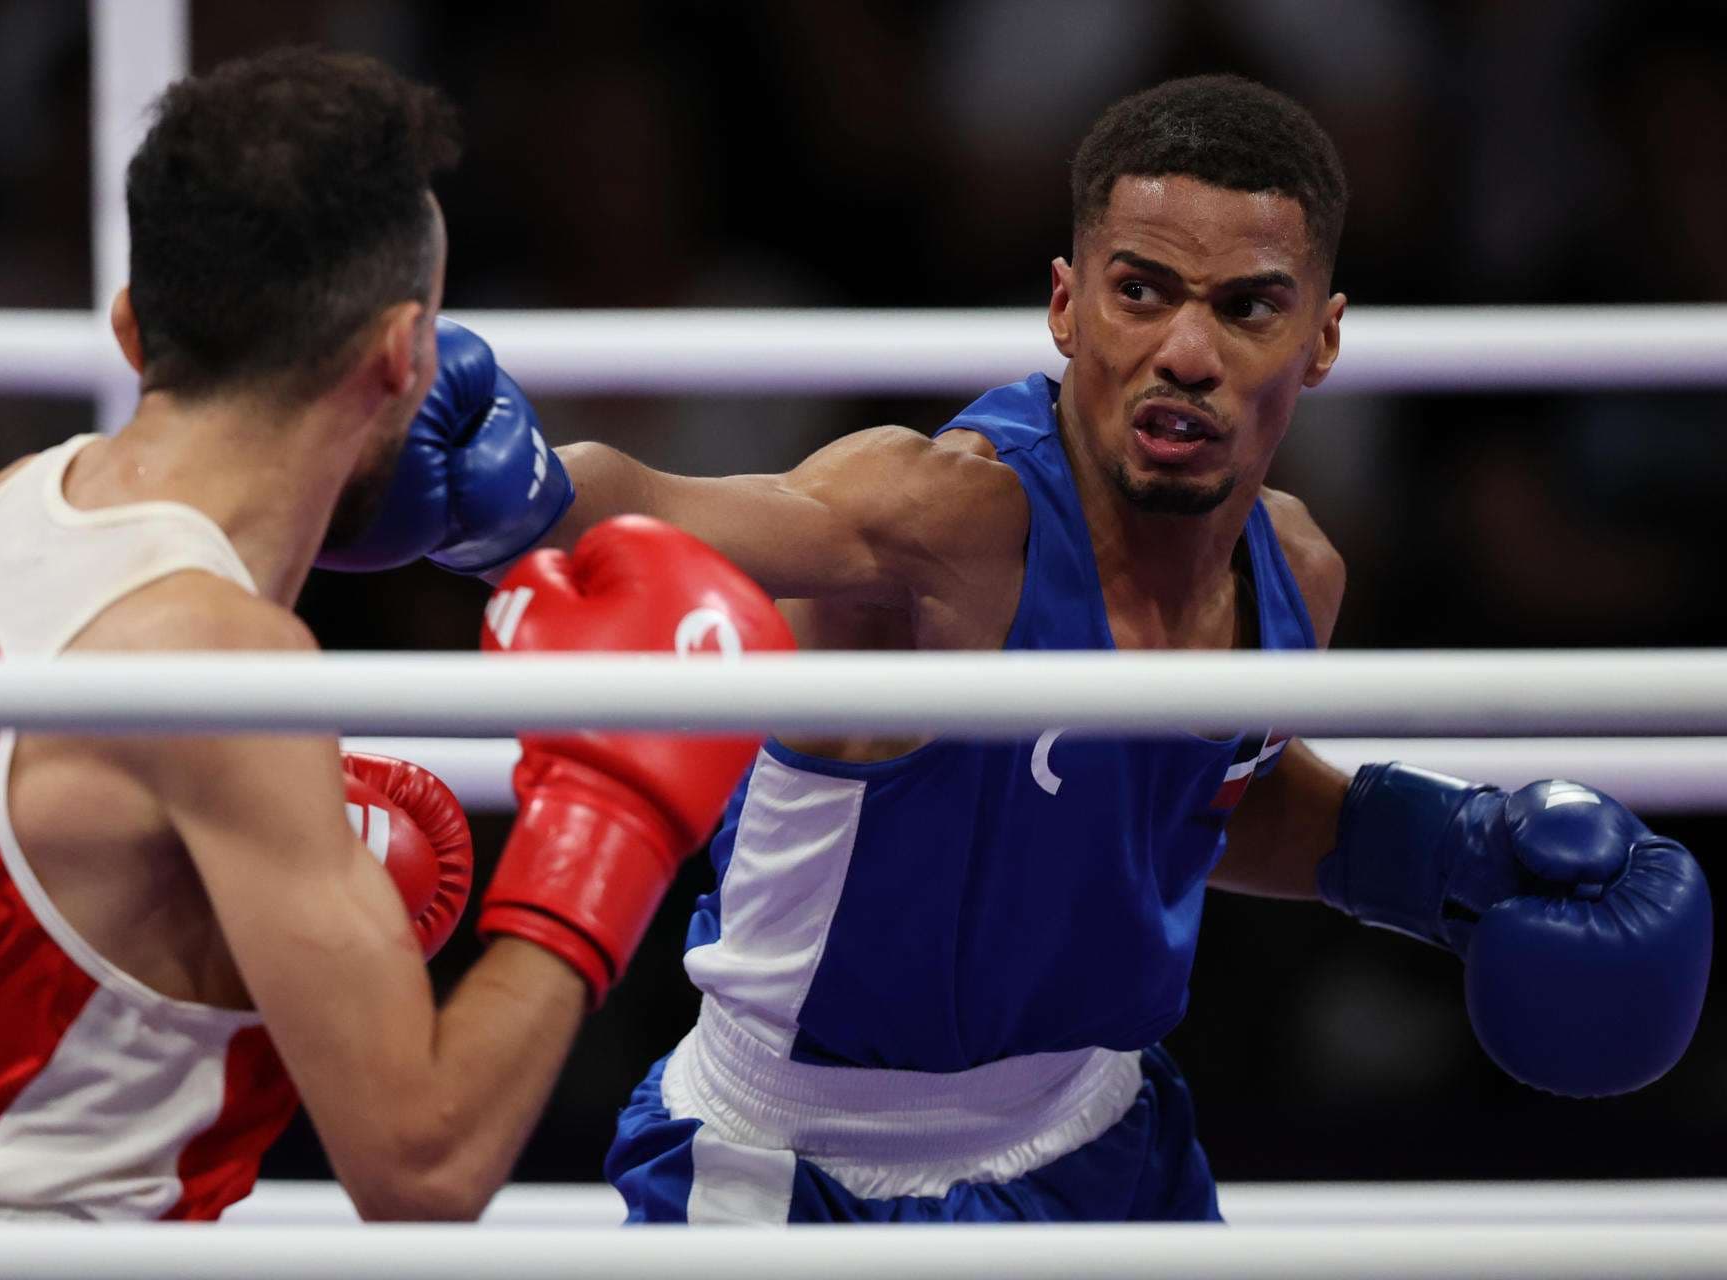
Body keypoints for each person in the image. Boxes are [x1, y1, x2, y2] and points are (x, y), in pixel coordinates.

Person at [342, 74, 1712, 1223]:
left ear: (1321, 338)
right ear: (1066, 305)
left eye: (1246, 306)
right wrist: (497, 494)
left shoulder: (1297, 571)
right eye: (1142, 291)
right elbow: (672, 507)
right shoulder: (942, 517)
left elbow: (1194, 798)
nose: (1186, 350)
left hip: (1099, 1137)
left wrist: (1436, 857)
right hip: (803, 1161)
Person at [0, 48, 790, 1225]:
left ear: (135, 327)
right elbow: (425, 1166)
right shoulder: (224, 672)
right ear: (402, 356)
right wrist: (608, 823)